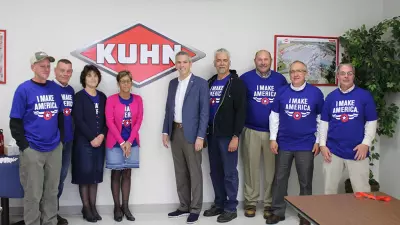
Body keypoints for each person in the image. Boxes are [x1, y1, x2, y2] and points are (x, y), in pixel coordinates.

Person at [266, 61, 324, 225]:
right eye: (292, 71)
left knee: (305, 181)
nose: (295, 74)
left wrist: (319, 141)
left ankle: (305, 214)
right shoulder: (282, 92)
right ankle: (278, 211)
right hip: (284, 143)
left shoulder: (315, 93)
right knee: (279, 179)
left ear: (306, 73)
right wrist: (272, 138)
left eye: (299, 71)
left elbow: (321, 119)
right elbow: (274, 116)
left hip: (306, 144)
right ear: (289, 74)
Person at [10, 51, 63, 225]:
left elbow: (61, 116)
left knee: (52, 191)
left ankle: (50, 221)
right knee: (33, 193)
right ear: (33, 67)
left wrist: (60, 140)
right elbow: (15, 122)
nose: (46, 69)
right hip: (33, 149)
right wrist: (25, 147)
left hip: (54, 148)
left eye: (48, 66)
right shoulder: (23, 89)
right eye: (42, 66)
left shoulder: (55, 88)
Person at [239, 50, 288, 219]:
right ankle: (250, 202)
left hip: (272, 134)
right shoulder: (245, 78)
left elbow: (284, 104)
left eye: (266, 59)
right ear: (255, 61)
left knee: (271, 170)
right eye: (259, 59)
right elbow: (238, 103)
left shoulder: (280, 80)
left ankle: (269, 203)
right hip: (251, 129)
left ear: (271, 60)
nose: (262, 62)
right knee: (250, 168)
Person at [162, 51, 209, 224]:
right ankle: (184, 206)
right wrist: (165, 131)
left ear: (190, 64)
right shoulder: (172, 83)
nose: (181, 65)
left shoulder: (201, 84)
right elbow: (169, 109)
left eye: (184, 62)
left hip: (193, 134)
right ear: (176, 64)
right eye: (178, 62)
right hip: (175, 132)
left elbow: (204, 113)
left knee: (194, 172)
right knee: (180, 171)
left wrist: (200, 136)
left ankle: (195, 208)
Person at [203, 48, 247, 223]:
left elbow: (241, 112)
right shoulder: (210, 82)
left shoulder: (236, 83)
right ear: (215, 63)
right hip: (212, 135)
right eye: (218, 60)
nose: (221, 63)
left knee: (229, 173)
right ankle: (219, 204)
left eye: (224, 60)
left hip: (228, 136)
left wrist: (236, 136)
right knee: (215, 172)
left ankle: (231, 207)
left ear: (229, 62)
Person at [319, 63, 377, 194]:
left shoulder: (365, 96)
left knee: (362, 191)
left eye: (349, 73)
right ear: (338, 76)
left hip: (358, 150)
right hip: (333, 150)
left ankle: (363, 215)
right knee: (329, 190)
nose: (346, 76)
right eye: (343, 73)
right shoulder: (331, 97)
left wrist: (365, 144)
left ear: (353, 76)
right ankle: (330, 215)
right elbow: (324, 123)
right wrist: (322, 145)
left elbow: (371, 121)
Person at [105, 70, 143, 222]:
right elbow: (110, 122)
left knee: (127, 173)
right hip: (115, 143)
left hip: (132, 143)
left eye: (128, 81)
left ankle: (126, 207)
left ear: (131, 83)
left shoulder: (138, 99)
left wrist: (129, 141)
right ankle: (117, 207)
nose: (126, 84)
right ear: (118, 84)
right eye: (123, 81)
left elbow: (139, 121)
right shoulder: (111, 100)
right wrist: (122, 142)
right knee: (116, 174)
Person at [71, 65, 107, 222]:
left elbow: (107, 120)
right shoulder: (79, 97)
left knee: (95, 175)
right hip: (83, 142)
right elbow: (78, 120)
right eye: (89, 76)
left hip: (100, 142)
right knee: (85, 175)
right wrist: (92, 137)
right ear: (84, 79)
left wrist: (102, 135)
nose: (93, 78)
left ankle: (93, 206)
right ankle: (86, 208)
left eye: (95, 75)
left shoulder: (103, 97)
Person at [52, 59, 74, 225]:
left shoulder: (71, 90)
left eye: (68, 71)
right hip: (53, 143)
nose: (65, 74)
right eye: (62, 70)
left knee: (60, 178)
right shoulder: (49, 88)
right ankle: (46, 214)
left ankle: (53, 212)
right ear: (55, 71)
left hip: (68, 141)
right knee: (50, 180)